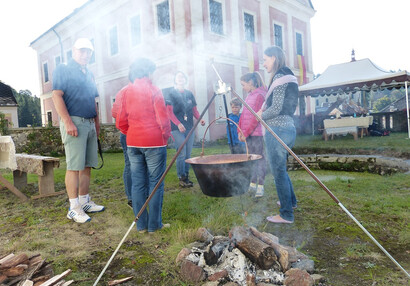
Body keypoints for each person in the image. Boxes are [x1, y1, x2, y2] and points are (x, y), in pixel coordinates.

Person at [52, 38, 105, 223]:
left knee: (87, 165)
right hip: (74, 121)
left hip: (89, 122)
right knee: (74, 166)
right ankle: (73, 208)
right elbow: (56, 95)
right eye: (82, 51)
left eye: (88, 51)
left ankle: (84, 201)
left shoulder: (89, 73)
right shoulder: (63, 69)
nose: (85, 54)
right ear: (73, 51)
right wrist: (67, 122)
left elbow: (94, 101)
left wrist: (97, 124)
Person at [116, 57, 171, 234]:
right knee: (156, 184)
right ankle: (155, 225)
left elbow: (120, 121)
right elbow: (163, 120)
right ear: (147, 72)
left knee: (138, 184)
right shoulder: (154, 90)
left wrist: (131, 133)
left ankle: (141, 226)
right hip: (154, 142)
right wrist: (166, 136)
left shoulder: (126, 92)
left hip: (133, 143)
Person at [257, 46, 299, 224]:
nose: (263, 63)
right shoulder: (287, 76)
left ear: (274, 58)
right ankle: (291, 202)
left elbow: (276, 108)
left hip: (277, 130)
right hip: (287, 129)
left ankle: (286, 214)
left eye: (265, 59)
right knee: (281, 169)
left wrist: (260, 115)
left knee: (278, 171)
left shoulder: (280, 77)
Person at [163, 71, 205, 188]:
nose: (180, 78)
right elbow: (169, 112)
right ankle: (181, 177)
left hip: (189, 127)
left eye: (182, 76)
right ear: (175, 80)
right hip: (176, 128)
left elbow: (194, 110)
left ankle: (186, 176)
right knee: (181, 153)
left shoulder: (189, 94)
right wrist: (178, 123)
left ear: (185, 79)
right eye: (178, 76)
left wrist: (200, 118)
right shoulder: (171, 94)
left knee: (188, 153)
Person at [238, 72, 267, 198]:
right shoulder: (249, 95)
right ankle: (252, 182)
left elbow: (256, 118)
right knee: (251, 158)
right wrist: (239, 130)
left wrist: (245, 132)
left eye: (243, 85)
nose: (243, 88)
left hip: (256, 133)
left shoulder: (260, 95)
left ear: (250, 83)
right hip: (247, 133)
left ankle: (260, 185)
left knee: (259, 159)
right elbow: (244, 114)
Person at [112, 85, 132, 209]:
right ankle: (131, 198)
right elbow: (115, 113)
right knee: (130, 164)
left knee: (142, 165)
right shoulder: (125, 91)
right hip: (128, 134)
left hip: (141, 135)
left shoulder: (148, 88)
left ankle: (142, 194)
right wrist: (128, 130)